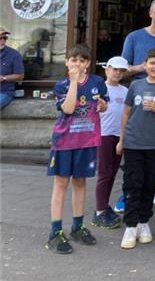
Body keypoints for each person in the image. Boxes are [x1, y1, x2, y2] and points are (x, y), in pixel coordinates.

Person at [45, 44, 109, 254]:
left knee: (80, 182)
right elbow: (69, 108)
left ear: (88, 64)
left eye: (82, 60)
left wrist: (102, 105)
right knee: (61, 182)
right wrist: (73, 82)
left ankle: (78, 226)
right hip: (64, 142)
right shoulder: (62, 84)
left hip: (87, 140)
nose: (77, 64)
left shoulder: (98, 82)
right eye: (74, 60)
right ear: (67, 62)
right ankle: (55, 231)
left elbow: (103, 104)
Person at [116, 48, 155, 249]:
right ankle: (131, 225)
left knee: (150, 183)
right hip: (133, 142)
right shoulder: (136, 84)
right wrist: (121, 139)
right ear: (145, 64)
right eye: (151, 63)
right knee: (132, 183)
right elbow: (126, 114)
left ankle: (144, 222)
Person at [92, 56, 129, 230]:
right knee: (104, 173)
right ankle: (99, 211)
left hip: (119, 135)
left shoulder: (125, 91)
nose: (117, 73)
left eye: (121, 71)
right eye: (115, 69)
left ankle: (104, 204)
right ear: (107, 69)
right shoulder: (99, 88)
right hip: (104, 135)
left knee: (113, 172)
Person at [0, 26, 24, 109]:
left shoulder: (14, 54)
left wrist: (3, 78)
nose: (2, 40)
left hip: (4, 92)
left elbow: (20, 75)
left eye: (5, 38)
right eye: (0, 38)